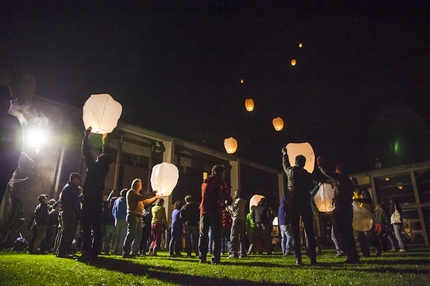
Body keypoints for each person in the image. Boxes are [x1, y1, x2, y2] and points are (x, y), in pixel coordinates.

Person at [317, 156, 360, 264]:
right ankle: (352, 255)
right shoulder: (348, 182)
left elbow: (329, 173)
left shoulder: (342, 179)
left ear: (340, 171)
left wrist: (321, 166)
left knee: (343, 233)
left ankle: (350, 254)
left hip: (342, 210)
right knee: (346, 233)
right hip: (346, 209)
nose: (336, 172)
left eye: (337, 170)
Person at [79, 127, 112, 262]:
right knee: (96, 227)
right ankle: (95, 251)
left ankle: (87, 250)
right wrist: (105, 140)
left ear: (99, 160)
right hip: (97, 201)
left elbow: (85, 152)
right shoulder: (104, 169)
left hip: (89, 200)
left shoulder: (93, 167)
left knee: (86, 226)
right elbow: (105, 154)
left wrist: (86, 136)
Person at [282, 147, 317, 265]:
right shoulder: (307, 175)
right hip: (305, 203)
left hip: (293, 204)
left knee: (295, 232)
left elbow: (285, 165)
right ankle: (312, 258)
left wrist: (284, 154)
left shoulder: (290, 171)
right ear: (304, 163)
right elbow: (311, 188)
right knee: (310, 231)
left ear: (295, 162)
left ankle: (298, 259)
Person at [198, 165, 233, 264]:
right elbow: (228, 197)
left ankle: (202, 257)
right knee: (216, 235)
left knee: (203, 235)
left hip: (204, 210)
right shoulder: (220, 182)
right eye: (224, 173)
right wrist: (225, 203)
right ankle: (215, 258)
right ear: (220, 173)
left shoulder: (205, 182)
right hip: (215, 210)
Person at [123, 178, 159, 258]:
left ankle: (134, 252)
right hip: (133, 215)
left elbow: (146, 201)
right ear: (136, 185)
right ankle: (126, 252)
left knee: (139, 235)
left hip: (139, 217)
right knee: (131, 234)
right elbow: (142, 199)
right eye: (140, 184)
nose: (141, 186)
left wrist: (155, 198)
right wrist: (152, 193)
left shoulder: (138, 194)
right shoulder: (131, 192)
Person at [0, 85, 23, 205]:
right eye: (8, 101)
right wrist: (9, 170)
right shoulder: (12, 122)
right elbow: (18, 147)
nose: (10, 104)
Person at [57, 172, 82, 258]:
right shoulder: (71, 188)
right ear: (75, 180)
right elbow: (75, 199)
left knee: (67, 232)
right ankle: (63, 252)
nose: (78, 182)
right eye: (78, 180)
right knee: (68, 232)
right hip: (69, 211)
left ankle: (64, 251)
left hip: (67, 210)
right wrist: (82, 196)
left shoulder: (67, 187)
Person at [228, 189, 247, 258]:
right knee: (240, 236)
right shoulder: (243, 202)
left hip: (236, 219)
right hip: (241, 219)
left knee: (233, 235)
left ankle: (233, 252)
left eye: (235, 193)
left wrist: (228, 205)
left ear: (238, 194)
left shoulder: (238, 201)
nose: (234, 195)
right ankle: (242, 252)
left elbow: (233, 208)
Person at [112, 189, 127, 255]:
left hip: (117, 219)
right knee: (122, 237)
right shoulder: (126, 201)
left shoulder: (116, 200)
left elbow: (113, 210)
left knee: (117, 236)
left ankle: (114, 250)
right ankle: (119, 251)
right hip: (124, 219)